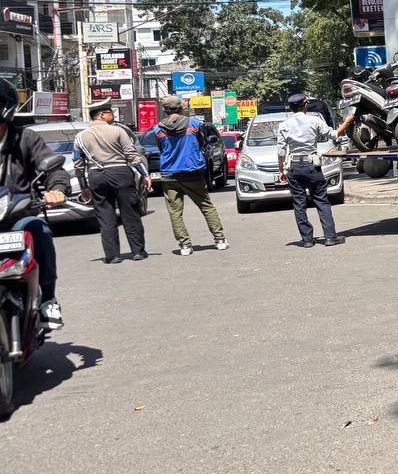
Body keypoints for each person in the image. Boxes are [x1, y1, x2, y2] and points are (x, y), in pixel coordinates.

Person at [0, 79, 70, 329]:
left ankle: (48, 300)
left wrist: (57, 189)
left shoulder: (25, 138)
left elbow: (53, 168)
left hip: (18, 216)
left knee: (39, 230)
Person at [73, 99, 150, 264]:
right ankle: (138, 251)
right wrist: (145, 174)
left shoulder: (80, 137)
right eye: (110, 113)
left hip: (96, 176)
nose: (113, 115)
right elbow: (132, 155)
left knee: (105, 216)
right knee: (130, 213)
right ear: (102, 115)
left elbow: (78, 164)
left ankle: (113, 255)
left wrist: (84, 186)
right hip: (120, 173)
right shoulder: (118, 131)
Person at [152, 95, 228, 257]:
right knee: (206, 206)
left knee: (175, 212)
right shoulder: (193, 123)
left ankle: (185, 245)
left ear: (164, 110)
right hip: (192, 171)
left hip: (170, 174)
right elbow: (201, 142)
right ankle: (219, 239)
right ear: (180, 108)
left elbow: (161, 148)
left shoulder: (158, 129)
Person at [276, 94, 355, 248]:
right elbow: (334, 135)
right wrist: (347, 122)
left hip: (294, 167)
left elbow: (281, 152)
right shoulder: (314, 121)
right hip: (312, 166)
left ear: (291, 108)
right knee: (321, 201)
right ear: (306, 104)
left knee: (299, 204)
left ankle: (307, 240)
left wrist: (281, 171)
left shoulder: (284, 125)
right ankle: (330, 237)